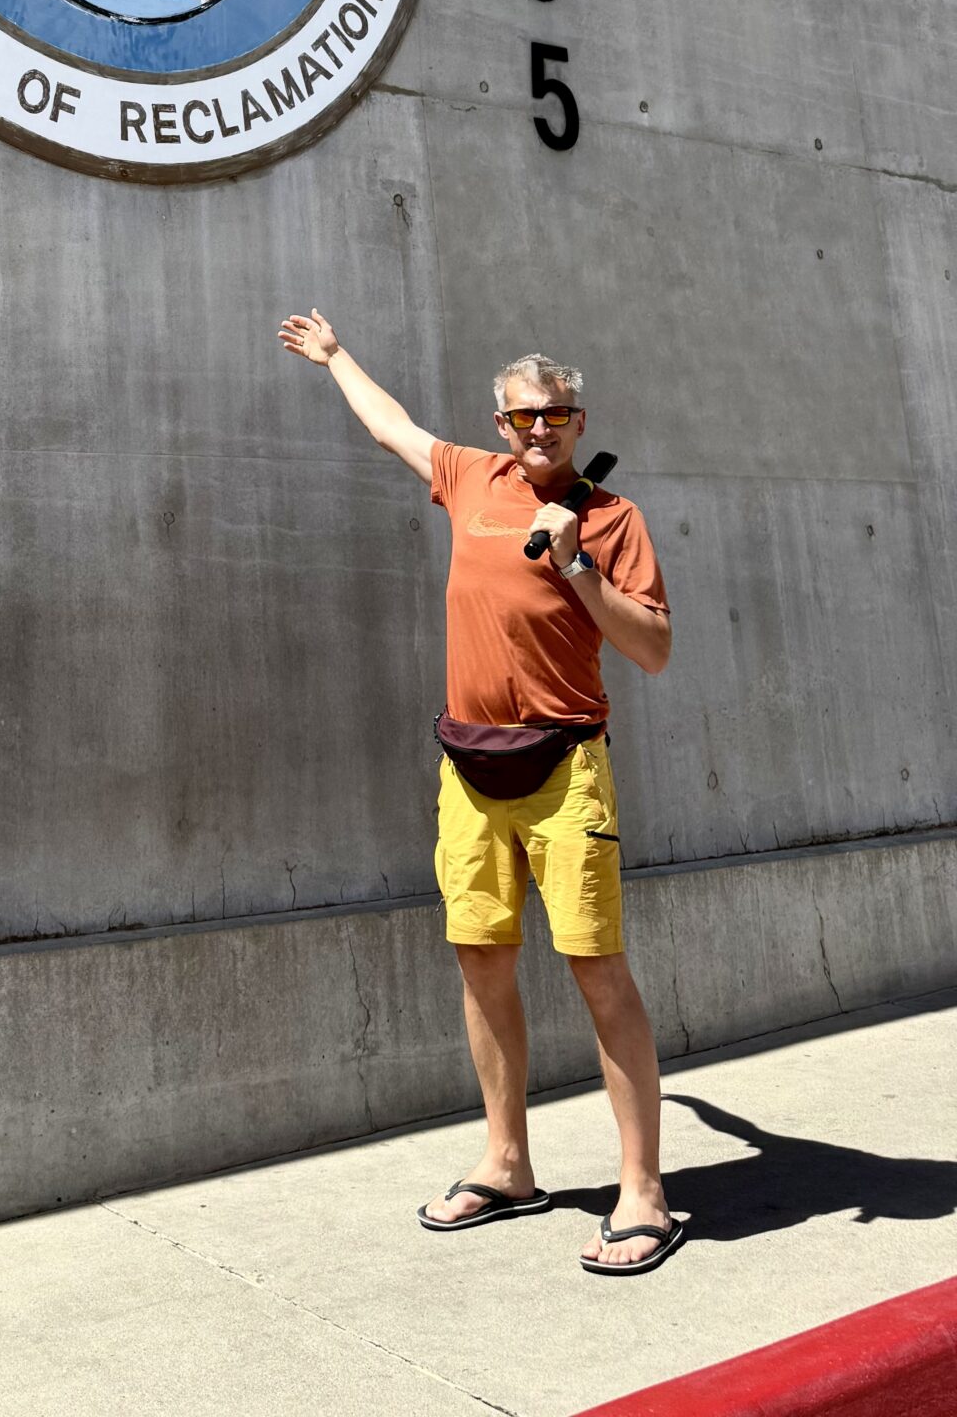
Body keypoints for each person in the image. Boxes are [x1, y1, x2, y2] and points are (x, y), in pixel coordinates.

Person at [277, 310, 681, 1274]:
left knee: (596, 967)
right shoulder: (470, 477)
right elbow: (392, 428)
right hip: (469, 763)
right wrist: (336, 359)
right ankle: (507, 1165)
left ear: (578, 420)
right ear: (499, 425)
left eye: (554, 415)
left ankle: (644, 1194)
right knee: (482, 958)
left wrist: (577, 561)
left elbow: (655, 650)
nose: (536, 431)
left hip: (565, 764)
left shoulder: (611, 519)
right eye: (519, 418)